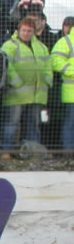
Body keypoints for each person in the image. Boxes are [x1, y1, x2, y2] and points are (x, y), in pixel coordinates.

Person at [0, 17, 51, 156]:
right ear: (19, 30)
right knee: (11, 124)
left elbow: (48, 65)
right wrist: (17, 82)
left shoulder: (41, 47)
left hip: (36, 94)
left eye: (29, 31)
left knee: (33, 125)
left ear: (34, 32)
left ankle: (33, 152)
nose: (26, 33)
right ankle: (6, 151)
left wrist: (47, 80)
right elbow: (7, 66)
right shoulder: (9, 46)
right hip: (16, 94)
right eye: (24, 30)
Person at [50, 18, 74, 152]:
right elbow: (55, 61)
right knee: (70, 123)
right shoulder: (67, 41)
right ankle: (69, 152)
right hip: (71, 93)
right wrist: (72, 71)